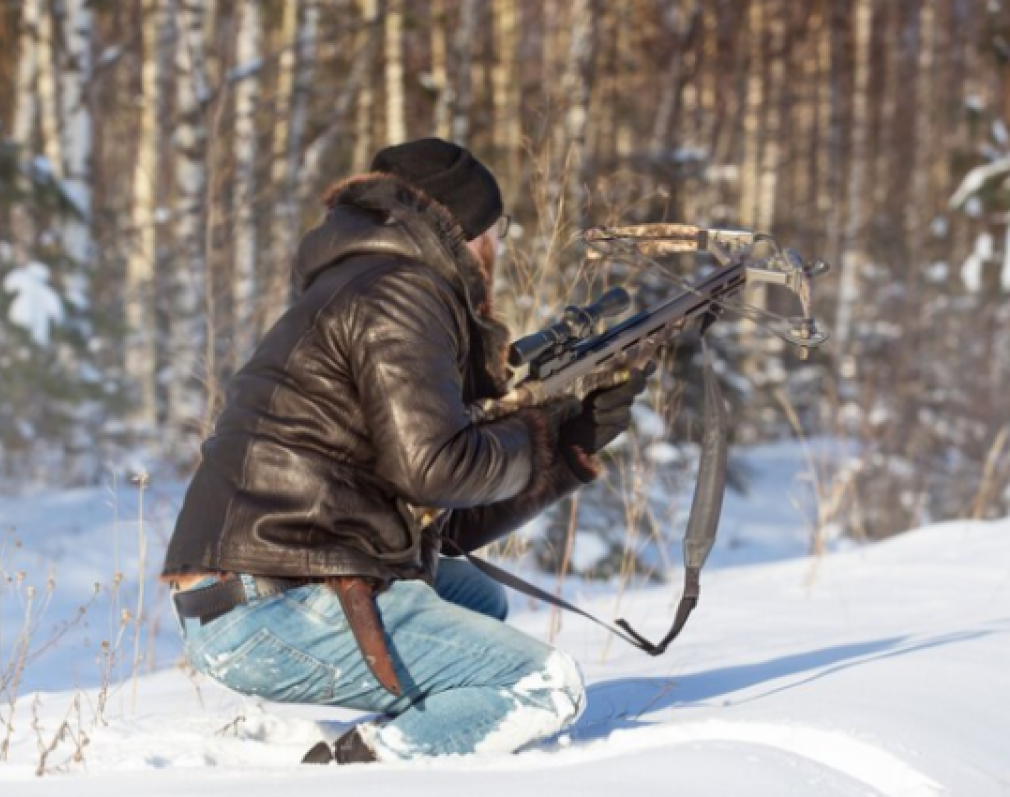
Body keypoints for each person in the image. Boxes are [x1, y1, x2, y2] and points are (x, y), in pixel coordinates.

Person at [161, 138, 647, 763]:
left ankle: (398, 728)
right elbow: (436, 469)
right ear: (466, 230)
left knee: (479, 599)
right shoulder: (403, 292)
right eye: (491, 233)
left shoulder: (366, 282)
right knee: (545, 686)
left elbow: (450, 520)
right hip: (268, 609)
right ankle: (360, 765)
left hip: (269, 586)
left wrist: (570, 444)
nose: (494, 250)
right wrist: (533, 432)